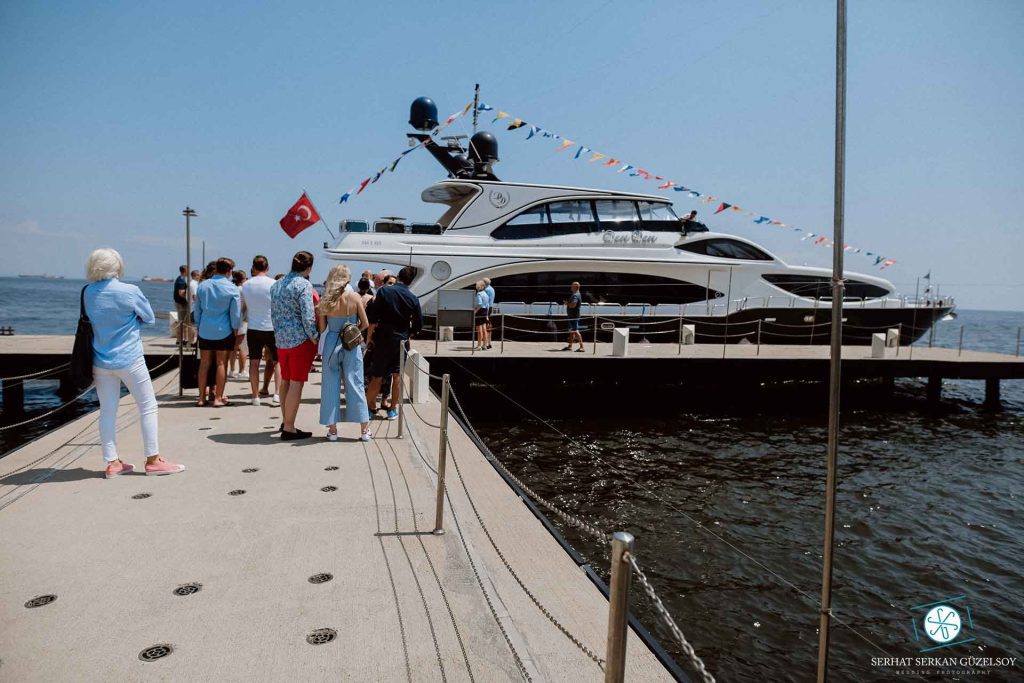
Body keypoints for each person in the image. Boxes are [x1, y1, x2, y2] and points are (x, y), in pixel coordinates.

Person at [83, 248, 184, 478]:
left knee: (107, 411)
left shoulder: (87, 292)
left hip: (100, 360)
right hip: (129, 358)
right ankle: (153, 460)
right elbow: (148, 317)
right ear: (117, 267)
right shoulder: (130, 290)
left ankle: (113, 463)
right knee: (147, 405)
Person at [318, 265, 371, 442]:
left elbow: (322, 328)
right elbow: (365, 323)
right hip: (351, 343)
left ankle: (332, 431)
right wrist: (352, 330)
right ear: (347, 279)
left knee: (330, 386)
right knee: (355, 383)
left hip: (332, 342)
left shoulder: (326, 299)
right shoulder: (355, 297)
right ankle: (364, 430)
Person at [270, 251, 319, 440]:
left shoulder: (276, 284)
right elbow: (308, 316)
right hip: (300, 339)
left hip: (281, 339)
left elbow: (274, 313)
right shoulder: (304, 285)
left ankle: (286, 420)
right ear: (309, 268)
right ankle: (289, 427)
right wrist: (314, 336)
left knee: (286, 381)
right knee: (297, 383)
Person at [365, 266, 422, 420]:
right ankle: (392, 409)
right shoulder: (413, 298)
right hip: (401, 340)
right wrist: (408, 334)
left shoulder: (384, 291)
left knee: (377, 376)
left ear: (398, 277)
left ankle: (367, 409)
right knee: (397, 376)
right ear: (411, 282)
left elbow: (373, 318)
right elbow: (418, 325)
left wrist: (369, 337)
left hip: (383, 339)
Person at [194, 257, 242, 407]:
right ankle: (218, 398)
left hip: (205, 329)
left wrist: (198, 325)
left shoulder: (202, 286)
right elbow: (235, 314)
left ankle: (201, 398)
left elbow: (197, 311)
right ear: (229, 271)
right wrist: (236, 329)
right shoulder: (232, 288)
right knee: (221, 363)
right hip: (224, 330)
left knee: (204, 363)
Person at [242, 255, 279, 406]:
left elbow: (243, 306)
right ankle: (277, 393)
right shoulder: (274, 284)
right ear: (267, 268)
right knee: (278, 362)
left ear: (254, 268)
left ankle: (255, 396)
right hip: (271, 327)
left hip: (253, 328)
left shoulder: (246, 285)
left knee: (254, 363)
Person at [230, 270, 248, 378]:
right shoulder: (243, 290)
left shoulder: (232, 288)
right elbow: (245, 304)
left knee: (233, 347)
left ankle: (232, 369)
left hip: (233, 320)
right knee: (242, 347)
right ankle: (242, 370)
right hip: (241, 320)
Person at [561, 281, 585, 352]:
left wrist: (567, 303)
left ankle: (582, 347)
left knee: (575, 331)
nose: (570, 287)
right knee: (572, 331)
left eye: (572, 286)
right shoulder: (577, 294)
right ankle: (570, 346)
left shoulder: (575, 295)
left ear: (575, 287)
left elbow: (573, 305)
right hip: (573, 315)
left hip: (573, 316)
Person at [173, 265, 189, 343]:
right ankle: (180, 339)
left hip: (180, 302)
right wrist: (189, 299)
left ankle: (183, 338)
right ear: (185, 270)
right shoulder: (181, 280)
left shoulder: (181, 279)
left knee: (184, 321)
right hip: (181, 303)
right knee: (182, 321)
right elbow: (181, 293)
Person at [473, 280, 488, 351]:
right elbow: (487, 305)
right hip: (485, 311)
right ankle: (484, 345)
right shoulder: (485, 294)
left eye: (477, 286)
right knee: (484, 329)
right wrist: (487, 314)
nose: (476, 287)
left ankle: (479, 345)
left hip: (480, 312)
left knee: (479, 330)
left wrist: (475, 311)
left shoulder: (479, 294)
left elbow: (479, 304)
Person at [483, 277, 496, 350]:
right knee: (488, 325)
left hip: (486, 309)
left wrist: (486, 314)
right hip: (490, 307)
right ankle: (489, 343)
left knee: (485, 326)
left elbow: (486, 302)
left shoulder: (486, 290)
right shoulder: (492, 289)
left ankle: (486, 344)